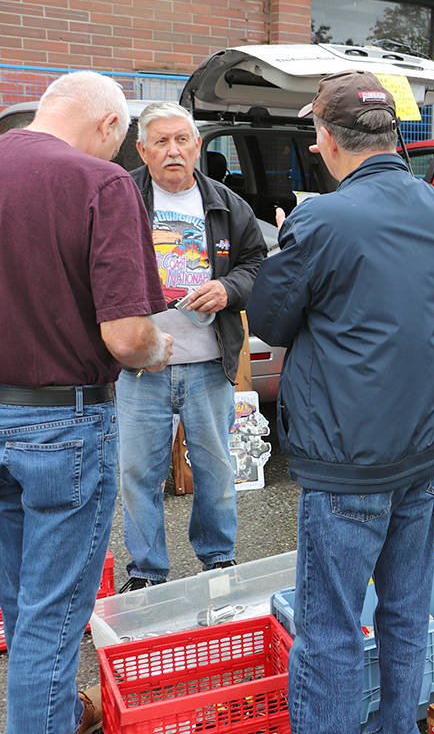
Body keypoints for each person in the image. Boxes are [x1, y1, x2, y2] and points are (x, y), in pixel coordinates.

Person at [247, 70, 434, 734]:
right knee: (405, 608)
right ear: (393, 134)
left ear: (326, 141)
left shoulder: (320, 219)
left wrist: (290, 240)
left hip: (349, 456)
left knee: (331, 627)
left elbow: (271, 322)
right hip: (426, 442)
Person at [0, 72, 172, 734]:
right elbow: (128, 336)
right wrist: (157, 352)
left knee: (21, 599)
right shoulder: (100, 184)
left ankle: (59, 713)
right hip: (62, 422)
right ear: (107, 124)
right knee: (52, 613)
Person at [117, 101, 266, 591]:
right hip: (141, 367)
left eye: (182, 139)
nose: (173, 150)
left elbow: (255, 263)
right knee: (139, 474)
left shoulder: (226, 202)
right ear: (141, 149)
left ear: (199, 145)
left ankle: (218, 558)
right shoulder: (122, 197)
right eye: (160, 141)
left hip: (208, 365)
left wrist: (229, 290)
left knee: (216, 470)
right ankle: (145, 572)